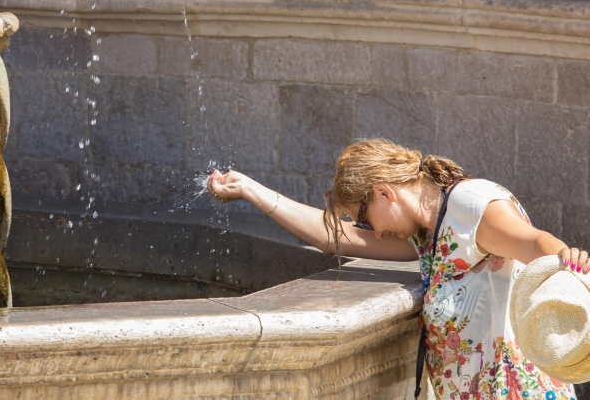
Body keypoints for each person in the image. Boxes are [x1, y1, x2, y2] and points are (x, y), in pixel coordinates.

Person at [207, 138, 583, 399]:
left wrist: (570, 266)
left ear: (385, 191)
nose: (374, 231)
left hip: (513, 391)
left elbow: (536, 243)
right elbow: (331, 237)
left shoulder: (470, 204)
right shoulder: (429, 231)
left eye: (365, 218)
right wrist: (251, 190)